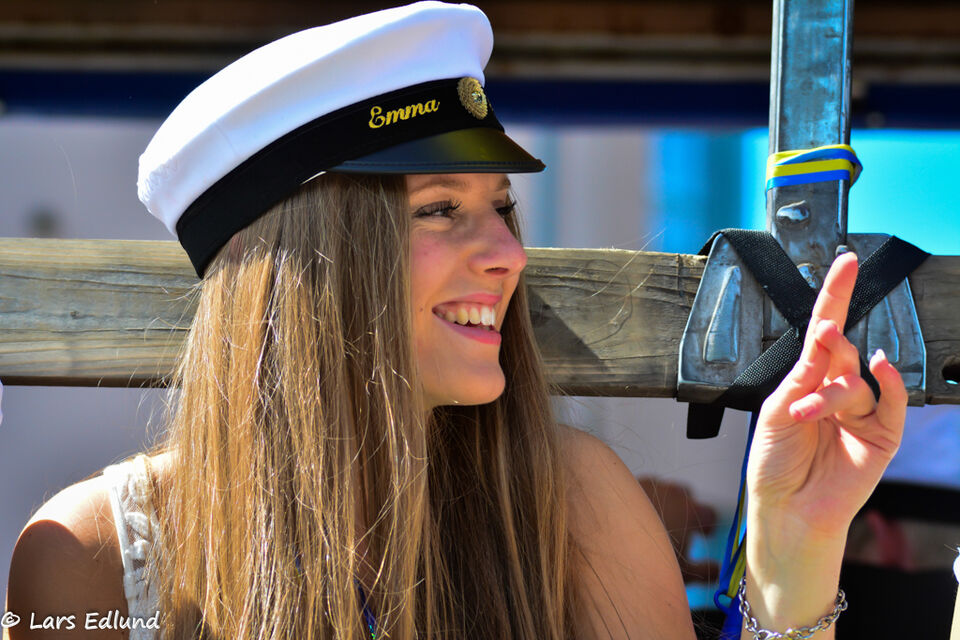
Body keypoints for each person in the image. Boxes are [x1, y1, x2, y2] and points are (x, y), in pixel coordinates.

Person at [4, 3, 909, 638]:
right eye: (441, 209)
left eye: (500, 208)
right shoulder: (89, 553)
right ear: (298, 264)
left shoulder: (572, 502)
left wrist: (796, 544)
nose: (508, 253)